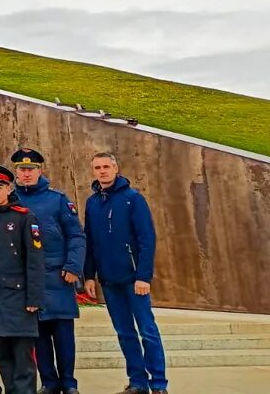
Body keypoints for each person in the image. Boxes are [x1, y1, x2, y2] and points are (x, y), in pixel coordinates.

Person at [83, 153, 168, 394]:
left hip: (134, 280)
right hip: (109, 280)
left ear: (116, 168)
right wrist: (89, 275)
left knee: (147, 331)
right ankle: (137, 382)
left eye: (106, 167)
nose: (102, 171)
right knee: (124, 333)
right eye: (98, 167)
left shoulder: (133, 199)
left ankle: (159, 384)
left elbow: (146, 239)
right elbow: (89, 240)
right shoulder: (92, 202)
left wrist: (144, 276)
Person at [11, 149, 85, 394]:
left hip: (58, 276)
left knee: (63, 336)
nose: (26, 174)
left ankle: (69, 382)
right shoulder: (12, 200)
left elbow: (75, 235)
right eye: (22, 170)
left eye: (31, 169)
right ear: (16, 173)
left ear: (40, 170)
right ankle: (49, 382)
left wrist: (73, 266)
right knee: (38, 336)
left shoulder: (58, 199)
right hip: (29, 279)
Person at [0, 165, 44, 394]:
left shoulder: (24, 217)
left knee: (22, 360)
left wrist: (34, 297)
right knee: (2, 358)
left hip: (19, 299)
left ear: (9, 188)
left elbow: (34, 261)